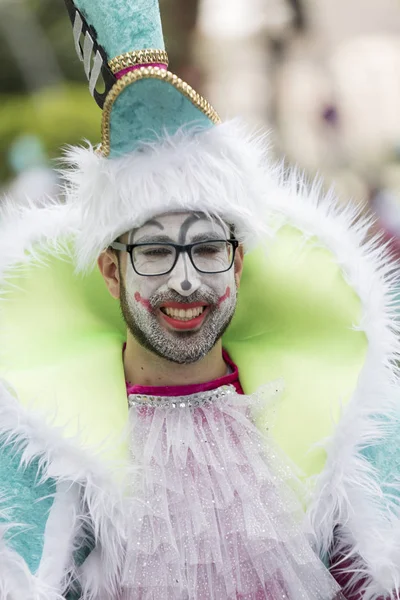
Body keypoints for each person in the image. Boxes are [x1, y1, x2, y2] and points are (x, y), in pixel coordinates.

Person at [0, 0, 399, 598]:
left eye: (207, 248)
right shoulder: (59, 451)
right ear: (112, 272)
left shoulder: (327, 418)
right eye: (155, 252)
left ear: (238, 263)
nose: (184, 281)